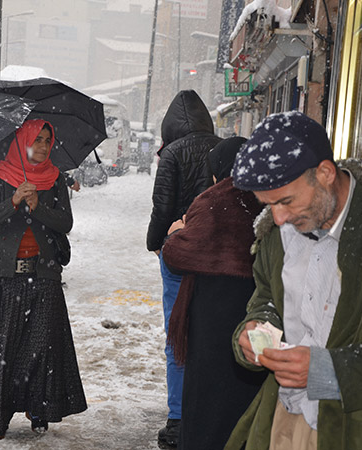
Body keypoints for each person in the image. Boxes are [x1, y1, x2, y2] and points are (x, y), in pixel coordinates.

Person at [226, 111, 362, 450]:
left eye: (286, 201)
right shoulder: (276, 233)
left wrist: (330, 371)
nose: (279, 218)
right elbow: (267, 299)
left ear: (325, 173)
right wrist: (256, 331)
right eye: (267, 205)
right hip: (287, 417)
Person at [0, 119, 87, 440]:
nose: (43, 146)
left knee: (42, 349)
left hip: (44, 275)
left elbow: (65, 223)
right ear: (23, 142)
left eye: (48, 140)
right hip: (7, 278)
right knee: (4, 350)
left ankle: (39, 409)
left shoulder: (55, 179)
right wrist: (14, 201)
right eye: (37, 140)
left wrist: (38, 207)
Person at [162, 137, 267, 449]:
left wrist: (175, 234)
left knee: (207, 396)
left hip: (212, 311)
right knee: (246, 387)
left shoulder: (213, 201)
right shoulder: (266, 197)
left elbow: (179, 255)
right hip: (256, 307)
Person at [146, 89, 221, 448]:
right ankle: (206, 411)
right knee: (209, 334)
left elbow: (162, 207)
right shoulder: (221, 149)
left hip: (178, 251)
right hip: (216, 257)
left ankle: (177, 418)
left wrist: (154, 241)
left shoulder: (172, 153)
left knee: (177, 336)